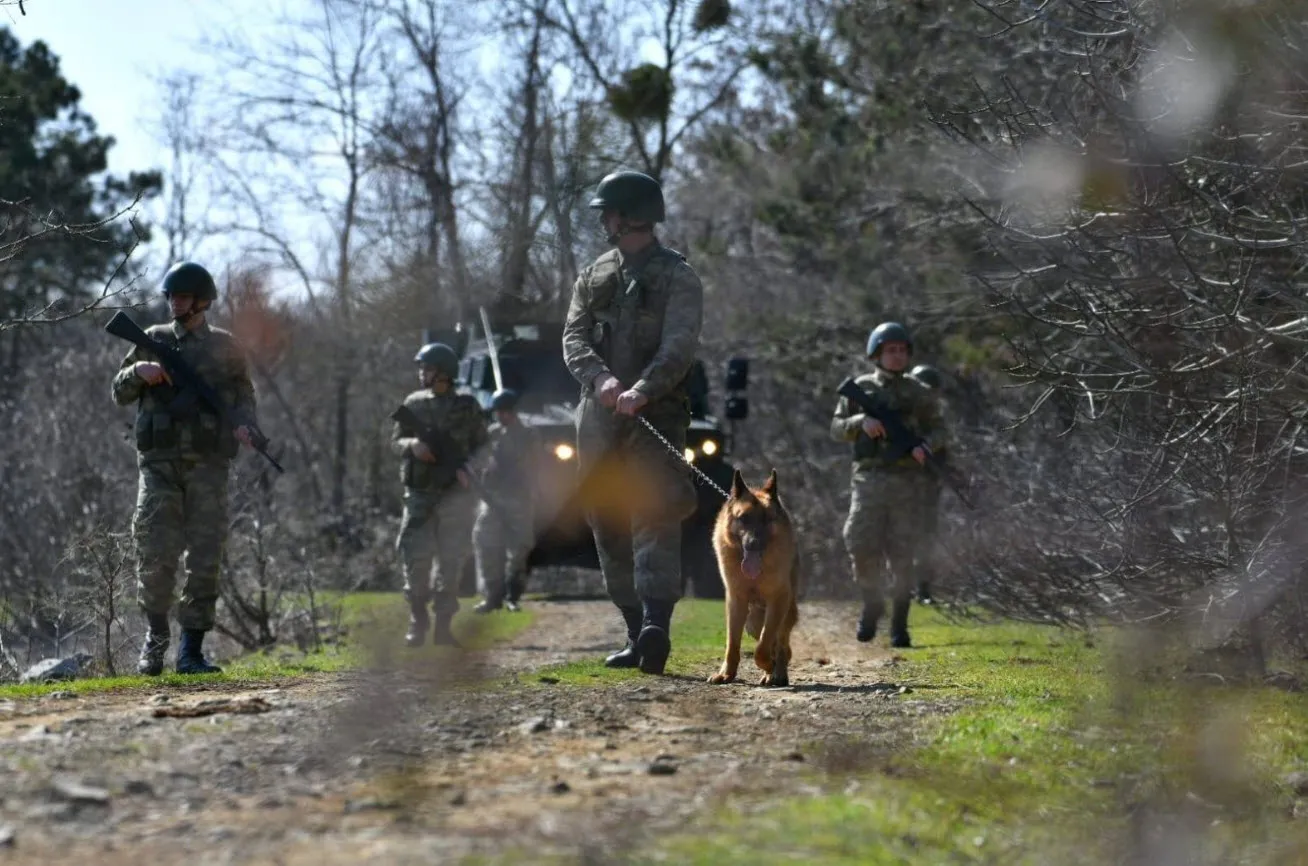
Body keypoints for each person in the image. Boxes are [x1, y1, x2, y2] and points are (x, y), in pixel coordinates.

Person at [561, 169, 703, 675]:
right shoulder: (595, 274)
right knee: (605, 519)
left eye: (608, 212)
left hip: (656, 416)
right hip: (598, 419)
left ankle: (656, 627)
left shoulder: (678, 276)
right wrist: (600, 380)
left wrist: (643, 389)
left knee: (655, 514)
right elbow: (573, 337)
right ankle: (632, 631)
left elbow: (679, 346)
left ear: (627, 216)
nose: (604, 221)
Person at [111, 261, 260, 676]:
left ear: (203, 301)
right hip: (158, 467)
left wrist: (247, 427)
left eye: (182, 297)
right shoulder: (152, 339)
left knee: (206, 558)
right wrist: (137, 372)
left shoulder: (227, 348)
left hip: (209, 468)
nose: (174, 303)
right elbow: (119, 392)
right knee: (155, 555)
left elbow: (245, 397)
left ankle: (191, 652)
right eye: (171, 297)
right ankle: (154, 644)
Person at [829, 322, 946, 648]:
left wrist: (926, 447)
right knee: (860, 541)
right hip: (869, 478)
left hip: (908, 481)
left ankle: (899, 624)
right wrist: (860, 423)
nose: (897, 356)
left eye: (901, 350)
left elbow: (941, 429)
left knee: (902, 553)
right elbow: (836, 428)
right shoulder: (861, 388)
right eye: (890, 350)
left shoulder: (919, 392)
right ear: (877, 354)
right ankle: (872, 601)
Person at [391, 342, 490, 647]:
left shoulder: (467, 406)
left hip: (454, 497)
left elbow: (483, 447)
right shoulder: (414, 403)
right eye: (422, 368)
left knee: (451, 561)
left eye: (428, 368)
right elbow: (395, 441)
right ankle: (417, 620)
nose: (422, 373)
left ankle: (443, 626)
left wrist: (469, 469)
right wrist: (413, 446)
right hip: (419, 494)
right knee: (415, 561)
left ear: (444, 373)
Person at [472, 388, 541, 614]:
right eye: (498, 412)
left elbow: (532, 463)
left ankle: (513, 595)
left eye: (505, 411)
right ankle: (492, 596)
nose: (501, 416)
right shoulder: (492, 433)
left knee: (518, 550)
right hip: (493, 498)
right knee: (484, 542)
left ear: (513, 411)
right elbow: (479, 459)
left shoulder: (527, 434)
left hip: (519, 498)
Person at [906, 363, 945, 605]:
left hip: (928, 486)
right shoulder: (905, 417)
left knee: (926, 538)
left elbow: (944, 449)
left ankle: (923, 588)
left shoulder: (935, 420)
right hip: (902, 484)